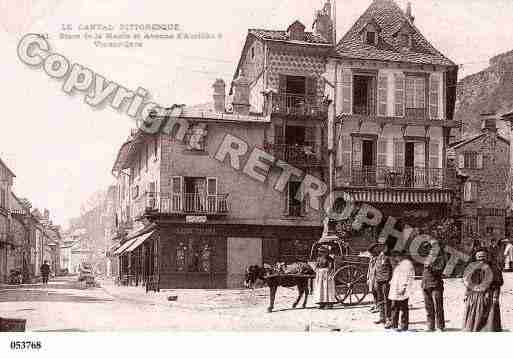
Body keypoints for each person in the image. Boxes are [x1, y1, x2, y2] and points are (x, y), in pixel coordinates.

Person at [462, 248, 503, 332]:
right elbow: (469, 284)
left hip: (488, 295)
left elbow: (497, 284)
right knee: (474, 317)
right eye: (479, 256)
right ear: (475, 257)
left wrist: (495, 297)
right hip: (474, 296)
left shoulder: (494, 268)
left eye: (483, 256)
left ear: (487, 257)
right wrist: (466, 294)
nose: (481, 258)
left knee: (490, 317)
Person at [422, 240, 446, 332]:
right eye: (430, 247)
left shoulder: (441, 257)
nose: (432, 249)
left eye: (433, 247)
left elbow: (439, 270)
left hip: (436, 285)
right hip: (425, 284)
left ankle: (440, 326)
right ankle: (430, 326)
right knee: (428, 307)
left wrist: (430, 266)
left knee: (438, 307)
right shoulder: (427, 257)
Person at [388, 250, 415, 332]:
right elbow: (396, 276)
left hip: (402, 290)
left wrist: (403, 288)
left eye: (397, 256)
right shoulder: (399, 265)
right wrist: (391, 282)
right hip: (396, 289)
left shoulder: (406, 264)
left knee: (403, 308)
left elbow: (406, 277)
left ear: (401, 256)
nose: (396, 258)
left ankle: (404, 326)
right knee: (394, 307)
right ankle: (394, 325)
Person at [374, 243, 393, 328]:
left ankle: (389, 319)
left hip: (386, 281)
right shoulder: (378, 257)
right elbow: (376, 270)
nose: (382, 249)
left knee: (387, 300)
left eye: (384, 247)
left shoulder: (389, 257)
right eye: (381, 247)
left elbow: (393, 269)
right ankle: (382, 317)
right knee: (380, 299)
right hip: (379, 281)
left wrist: (390, 280)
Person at [366, 244, 380, 313]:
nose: (370, 255)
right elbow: (369, 269)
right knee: (373, 292)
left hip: (376, 278)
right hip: (372, 278)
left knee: (378, 292)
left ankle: (378, 306)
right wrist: (368, 278)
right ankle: (375, 304)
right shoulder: (371, 259)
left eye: (371, 253)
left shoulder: (378, 259)